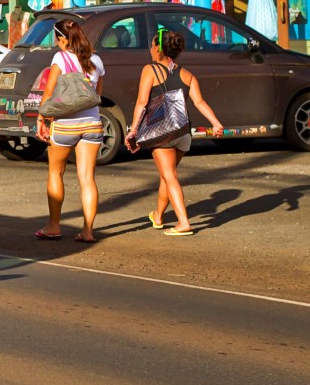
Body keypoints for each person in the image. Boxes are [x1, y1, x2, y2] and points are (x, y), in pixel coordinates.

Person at [125, 27, 224, 237]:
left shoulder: (150, 70)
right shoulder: (188, 75)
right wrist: (215, 123)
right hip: (183, 133)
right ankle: (158, 216)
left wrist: (133, 130)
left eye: (153, 45)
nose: (150, 49)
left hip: (162, 133)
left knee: (169, 176)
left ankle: (183, 222)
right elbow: (199, 102)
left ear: (159, 48)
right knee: (167, 175)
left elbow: (142, 103)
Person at [34, 18, 105, 243]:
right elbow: (97, 96)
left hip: (65, 124)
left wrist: (41, 118)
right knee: (87, 179)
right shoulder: (96, 60)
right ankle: (88, 231)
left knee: (56, 173)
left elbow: (49, 91)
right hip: (92, 124)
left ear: (63, 39)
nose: (56, 43)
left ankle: (54, 226)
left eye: (56, 39)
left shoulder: (60, 58)